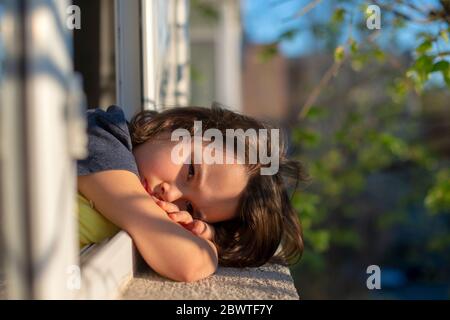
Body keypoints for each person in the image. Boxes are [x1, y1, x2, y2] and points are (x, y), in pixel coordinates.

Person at [77, 103, 307, 282]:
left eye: (190, 209)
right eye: (190, 172)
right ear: (178, 127)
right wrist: (206, 246)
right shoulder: (101, 135)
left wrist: (206, 235)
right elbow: (189, 263)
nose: (171, 196)